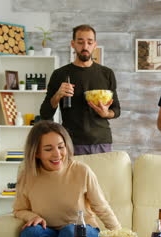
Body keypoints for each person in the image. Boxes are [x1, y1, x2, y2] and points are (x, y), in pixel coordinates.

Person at [13, 120, 121, 237]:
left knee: (70, 231)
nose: (57, 154)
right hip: (49, 233)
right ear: (37, 153)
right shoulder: (27, 176)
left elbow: (101, 207)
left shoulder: (82, 171)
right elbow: (19, 209)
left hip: (83, 231)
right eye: (48, 149)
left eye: (60, 147)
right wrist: (31, 216)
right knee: (30, 233)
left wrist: (120, 236)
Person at [40, 24, 120, 155]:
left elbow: (116, 110)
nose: (85, 47)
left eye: (89, 42)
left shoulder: (107, 73)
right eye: (80, 42)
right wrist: (57, 95)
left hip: (101, 141)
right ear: (73, 44)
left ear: (95, 44)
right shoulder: (59, 74)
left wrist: (106, 113)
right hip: (71, 141)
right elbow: (45, 113)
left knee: (101, 176)